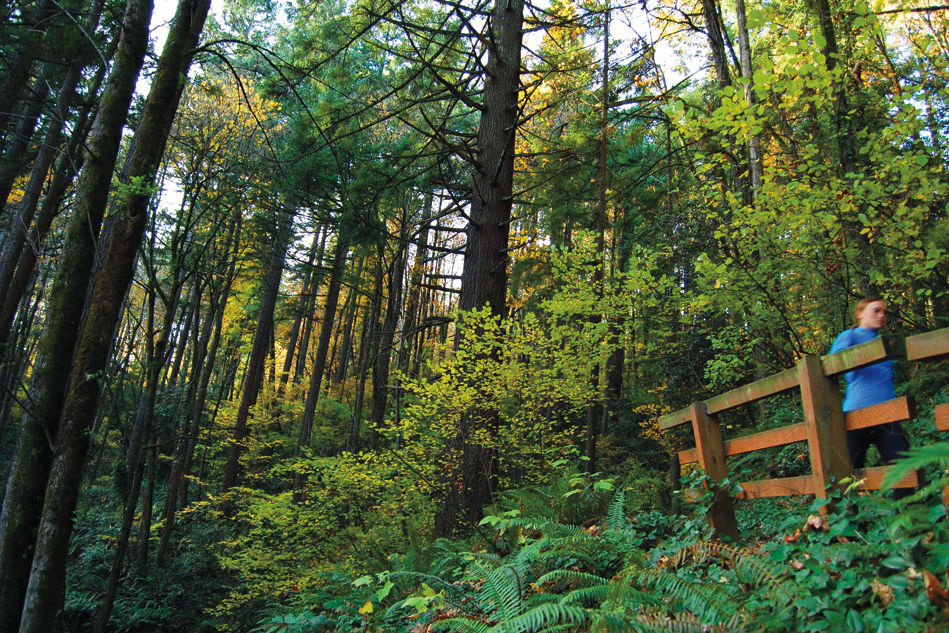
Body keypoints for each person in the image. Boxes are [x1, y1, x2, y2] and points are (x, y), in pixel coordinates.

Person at [829, 298, 912, 477]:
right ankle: (849, 505)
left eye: (884, 312)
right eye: (876, 310)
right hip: (857, 412)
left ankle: (906, 505)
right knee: (849, 470)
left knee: (905, 468)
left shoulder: (885, 342)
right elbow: (831, 365)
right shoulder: (849, 336)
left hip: (887, 411)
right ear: (860, 313)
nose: (882, 315)